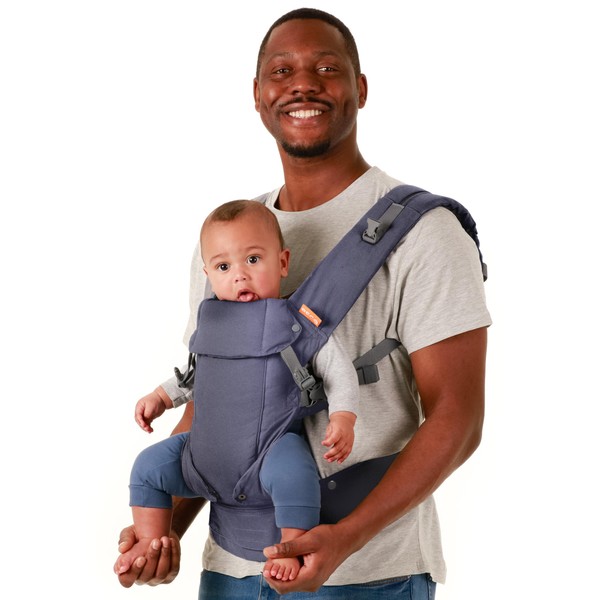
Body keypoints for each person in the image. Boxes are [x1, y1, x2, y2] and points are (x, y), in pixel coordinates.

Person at [116, 7, 491, 598]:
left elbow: (458, 420)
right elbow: (216, 402)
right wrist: (165, 534)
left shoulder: (424, 232)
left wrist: (345, 538)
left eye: (326, 68)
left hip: (368, 576)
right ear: (258, 95)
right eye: (281, 70)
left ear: (360, 88)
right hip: (231, 570)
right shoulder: (226, 240)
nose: (303, 85)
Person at [115, 199, 358, 582]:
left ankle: (292, 546)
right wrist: (161, 398)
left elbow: (339, 372)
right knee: (147, 467)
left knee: (296, 475)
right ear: (208, 274)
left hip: (270, 450)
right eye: (224, 267)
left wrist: (343, 416)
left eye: (253, 260)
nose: (240, 276)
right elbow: (194, 375)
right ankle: (151, 540)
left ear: (282, 262)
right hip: (203, 455)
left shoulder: (297, 323)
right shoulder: (210, 322)